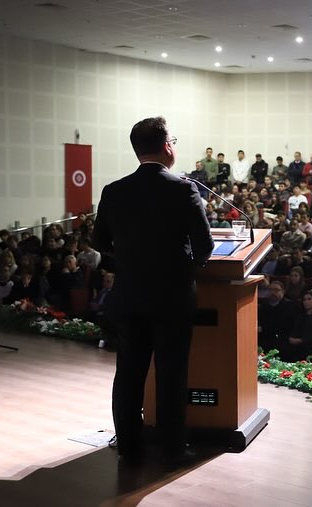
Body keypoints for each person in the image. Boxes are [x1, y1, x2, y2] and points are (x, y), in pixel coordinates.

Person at [93, 116, 214, 466]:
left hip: (129, 296)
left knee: (128, 374)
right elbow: (205, 247)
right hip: (172, 298)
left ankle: (129, 448)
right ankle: (172, 450)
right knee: (170, 374)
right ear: (166, 147)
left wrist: (131, 259)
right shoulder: (183, 189)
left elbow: (99, 241)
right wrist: (183, 261)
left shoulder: (114, 190)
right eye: (172, 140)